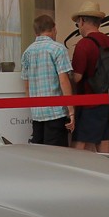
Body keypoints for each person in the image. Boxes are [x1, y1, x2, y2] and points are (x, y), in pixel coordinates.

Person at [69, 1, 109, 153]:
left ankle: (77, 175)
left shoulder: (83, 45)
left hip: (89, 104)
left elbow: (77, 77)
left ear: (82, 21)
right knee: (104, 144)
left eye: (78, 23)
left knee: (79, 145)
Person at [19, 14, 75, 145]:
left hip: (37, 115)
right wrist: (71, 111)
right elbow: (63, 81)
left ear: (35, 31)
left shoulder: (27, 52)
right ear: (54, 29)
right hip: (56, 113)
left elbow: (26, 86)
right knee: (57, 156)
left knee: (41, 156)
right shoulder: (58, 49)